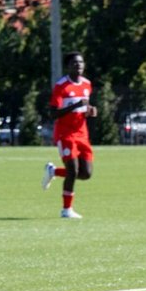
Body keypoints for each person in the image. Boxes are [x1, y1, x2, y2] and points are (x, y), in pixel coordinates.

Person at [41, 51, 97, 219]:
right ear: (68, 67)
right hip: (65, 134)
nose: (78, 66)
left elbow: (84, 108)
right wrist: (75, 105)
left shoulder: (87, 84)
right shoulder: (61, 86)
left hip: (82, 134)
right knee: (72, 170)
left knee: (86, 173)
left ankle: (53, 171)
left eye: (80, 63)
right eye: (74, 63)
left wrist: (90, 111)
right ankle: (66, 210)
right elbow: (53, 113)